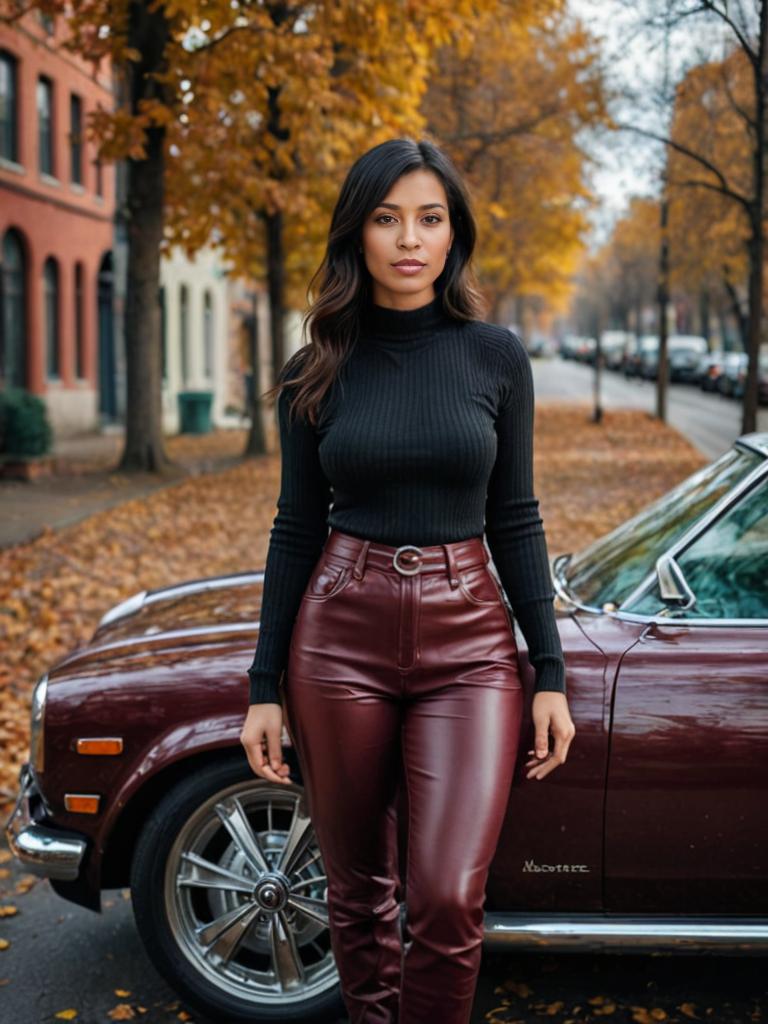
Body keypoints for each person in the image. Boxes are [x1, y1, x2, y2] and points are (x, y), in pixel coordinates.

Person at [240, 136, 576, 1024]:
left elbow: (516, 517)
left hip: (470, 644)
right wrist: (264, 683)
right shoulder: (314, 369)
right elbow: (295, 528)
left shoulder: (495, 357)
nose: (408, 239)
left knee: (447, 897)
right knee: (356, 895)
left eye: (429, 218)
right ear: (357, 233)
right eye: (387, 219)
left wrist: (549, 670)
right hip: (339, 637)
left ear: (453, 233)